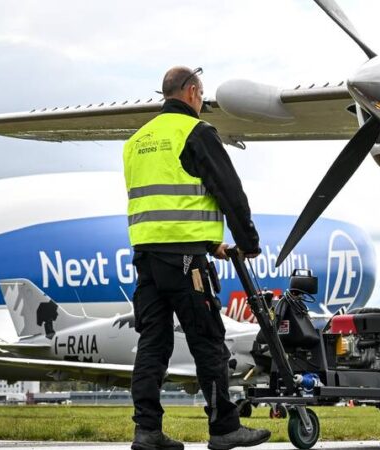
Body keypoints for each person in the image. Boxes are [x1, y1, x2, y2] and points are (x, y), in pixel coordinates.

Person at [124, 66, 270, 450]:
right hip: (187, 264)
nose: (202, 103)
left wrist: (211, 244)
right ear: (191, 92)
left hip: (147, 259)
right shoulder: (196, 132)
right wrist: (246, 241)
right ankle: (224, 428)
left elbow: (167, 206)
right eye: (201, 95)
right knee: (208, 341)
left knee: (153, 345)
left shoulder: (136, 141)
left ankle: (147, 431)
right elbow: (228, 190)